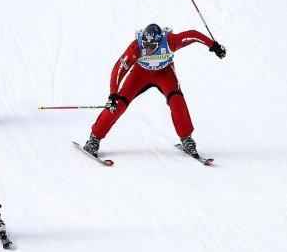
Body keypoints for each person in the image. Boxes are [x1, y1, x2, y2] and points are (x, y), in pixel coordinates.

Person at [84, 23, 226, 158]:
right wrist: (113, 94)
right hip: (140, 74)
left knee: (176, 100)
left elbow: (194, 35)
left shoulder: (170, 41)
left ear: (159, 41)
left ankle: (186, 138)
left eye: (152, 45)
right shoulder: (136, 46)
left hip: (164, 74)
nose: (148, 48)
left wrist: (214, 46)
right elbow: (119, 68)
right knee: (118, 104)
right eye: (146, 44)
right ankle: (94, 138)